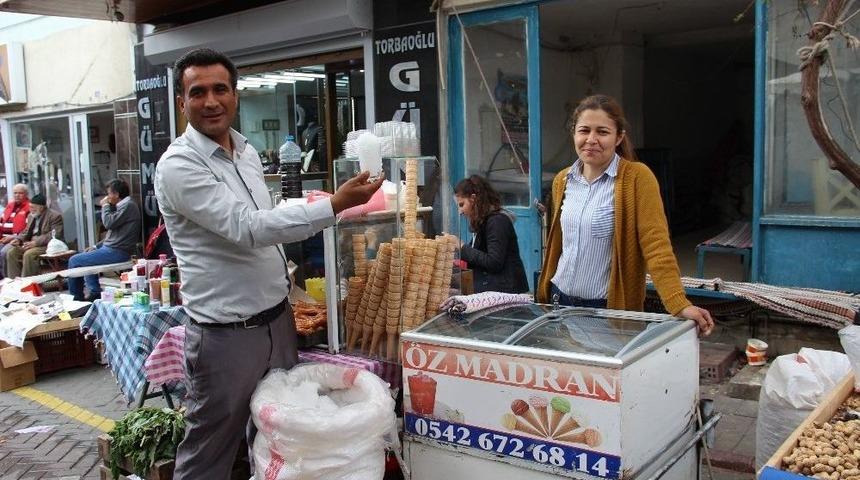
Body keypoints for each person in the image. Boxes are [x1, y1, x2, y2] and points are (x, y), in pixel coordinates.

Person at [154, 48, 382, 479]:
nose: (211, 101)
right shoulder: (179, 165)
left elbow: (266, 216)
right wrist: (333, 205)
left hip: (277, 322)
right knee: (210, 451)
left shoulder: (246, 153)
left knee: (274, 438)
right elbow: (248, 228)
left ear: (235, 96)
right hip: (226, 338)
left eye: (220, 89)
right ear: (182, 103)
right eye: (197, 92)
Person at [536, 94, 714, 335]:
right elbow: (558, 246)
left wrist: (678, 303)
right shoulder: (563, 180)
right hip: (559, 300)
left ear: (619, 137)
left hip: (606, 309)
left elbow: (656, 245)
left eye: (602, 132)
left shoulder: (636, 178)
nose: (591, 140)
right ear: (574, 133)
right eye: (584, 130)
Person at [67, 179, 141, 301]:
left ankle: (76, 298)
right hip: (112, 249)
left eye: (109, 194)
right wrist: (96, 247)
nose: (107, 197)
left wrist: (105, 206)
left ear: (117, 194)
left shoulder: (128, 205)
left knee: (74, 260)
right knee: (86, 256)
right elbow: (113, 235)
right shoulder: (123, 206)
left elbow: (108, 223)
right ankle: (95, 291)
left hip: (117, 252)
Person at [455, 175, 528, 294]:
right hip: (493, 290)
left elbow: (494, 262)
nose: (460, 211)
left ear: (473, 199)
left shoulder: (497, 221)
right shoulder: (482, 221)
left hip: (504, 292)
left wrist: (462, 248)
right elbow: (477, 254)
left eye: (462, 204)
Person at [5, 194, 64, 278]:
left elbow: (55, 234)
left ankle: (28, 283)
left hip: (48, 245)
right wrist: (19, 239)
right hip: (32, 244)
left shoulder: (55, 216)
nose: (30, 209)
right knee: (12, 252)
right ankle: (14, 282)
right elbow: (26, 231)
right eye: (30, 207)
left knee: (29, 254)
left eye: (33, 207)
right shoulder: (31, 216)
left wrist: (36, 242)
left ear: (41, 207)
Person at [0, 184, 31, 278]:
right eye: (15, 193)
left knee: (4, 252)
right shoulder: (10, 206)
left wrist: (13, 237)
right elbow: (1, 222)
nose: (17, 195)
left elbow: (28, 229)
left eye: (20, 193)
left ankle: (7, 280)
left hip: (18, 240)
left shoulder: (29, 207)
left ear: (26, 194)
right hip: (3, 239)